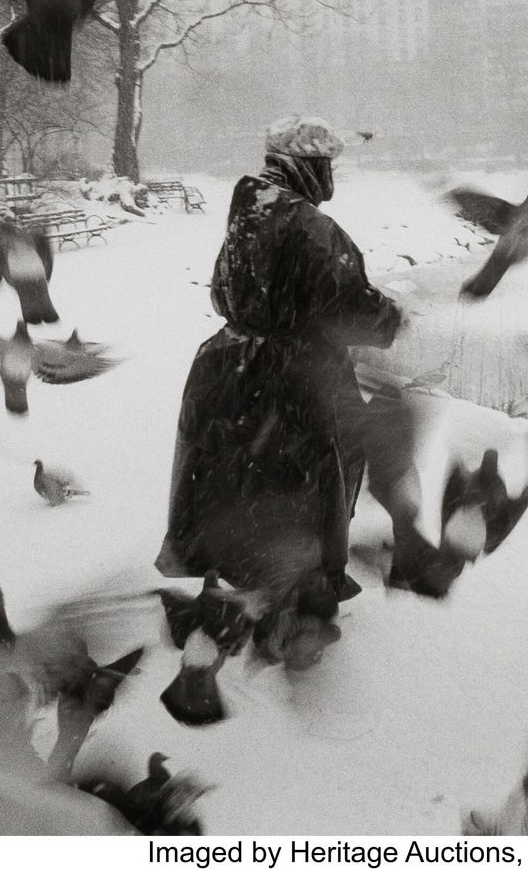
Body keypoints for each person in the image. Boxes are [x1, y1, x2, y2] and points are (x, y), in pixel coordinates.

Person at [156, 116, 402, 655]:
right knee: (301, 489)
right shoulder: (312, 228)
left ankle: (230, 590)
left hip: (230, 369)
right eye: (327, 165)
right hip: (296, 379)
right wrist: (391, 319)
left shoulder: (248, 212)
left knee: (235, 479)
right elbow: (351, 307)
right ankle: (291, 610)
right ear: (308, 166)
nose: (331, 176)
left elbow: (222, 293)